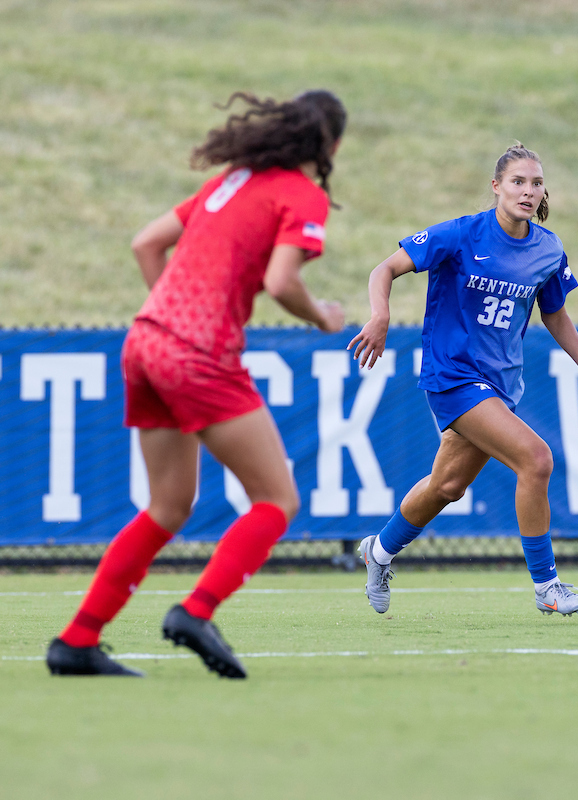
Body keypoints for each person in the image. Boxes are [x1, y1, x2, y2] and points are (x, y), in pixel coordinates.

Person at [46, 90, 348, 679]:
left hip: (145, 340)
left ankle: (77, 641)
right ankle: (196, 611)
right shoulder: (302, 194)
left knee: (167, 505)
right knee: (278, 498)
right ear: (332, 146)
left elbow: (145, 242)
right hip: (198, 351)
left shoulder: (232, 180)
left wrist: (167, 314)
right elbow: (282, 280)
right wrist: (322, 316)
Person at [349, 142, 578, 617]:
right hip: (452, 375)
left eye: (536, 183)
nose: (528, 191)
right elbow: (384, 268)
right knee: (536, 459)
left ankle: (378, 552)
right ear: (496, 187)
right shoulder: (461, 235)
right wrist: (380, 314)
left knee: (447, 486)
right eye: (517, 182)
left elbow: (554, 313)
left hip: (500, 385)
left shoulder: (548, 249)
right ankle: (548, 589)